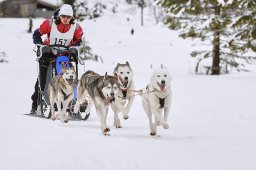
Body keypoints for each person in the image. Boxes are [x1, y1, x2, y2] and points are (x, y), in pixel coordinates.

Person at [30, 4, 84, 114]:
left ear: (72, 17)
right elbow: (36, 34)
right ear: (59, 15)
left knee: (69, 79)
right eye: (63, 16)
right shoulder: (49, 23)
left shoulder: (76, 27)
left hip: (65, 57)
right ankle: (36, 104)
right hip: (48, 54)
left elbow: (79, 40)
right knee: (43, 79)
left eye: (68, 17)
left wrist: (73, 47)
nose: (66, 19)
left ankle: (71, 102)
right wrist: (41, 45)